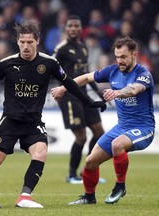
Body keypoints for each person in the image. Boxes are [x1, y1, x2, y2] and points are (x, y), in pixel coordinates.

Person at [0, 20, 106, 208]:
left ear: (37, 41)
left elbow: (70, 83)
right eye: (22, 42)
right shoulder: (7, 64)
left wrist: (89, 102)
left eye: (30, 42)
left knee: (40, 152)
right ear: (17, 42)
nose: (26, 46)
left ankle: (24, 196)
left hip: (33, 122)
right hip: (10, 121)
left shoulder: (49, 63)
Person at [51, 36, 155, 204]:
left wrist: (118, 93)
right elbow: (85, 78)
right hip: (122, 127)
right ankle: (89, 197)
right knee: (91, 161)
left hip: (143, 128)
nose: (119, 61)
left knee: (117, 145)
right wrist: (64, 88)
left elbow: (135, 89)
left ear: (134, 54)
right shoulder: (112, 71)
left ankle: (120, 186)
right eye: (117, 57)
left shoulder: (143, 74)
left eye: (123, 57)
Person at [53, 15, 106, 184]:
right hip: (69, 96)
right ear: (66, 29)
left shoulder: (84, 48)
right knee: (81, 136)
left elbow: (87, 74)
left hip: (84, 95)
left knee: (99, 132)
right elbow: (49, 67)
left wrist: (99, 93)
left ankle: (87, 170)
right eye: (71, 26)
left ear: (81, 29)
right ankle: (71, 174)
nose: (74, 28)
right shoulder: (61, 49)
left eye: (77, 25)